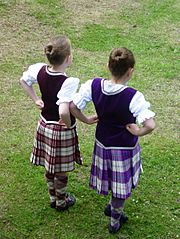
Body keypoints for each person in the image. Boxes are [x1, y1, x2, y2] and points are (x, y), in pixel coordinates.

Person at [70, 47, 156, 233]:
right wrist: (138, 132)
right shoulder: (134, 97)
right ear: (130, 71)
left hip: (103, 144)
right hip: (124, 149)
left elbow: (73, 106)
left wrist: (86, 120)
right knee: (120, 186)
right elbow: (150, 125)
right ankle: (115, 220)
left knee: (112, 181)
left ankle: (112, 207)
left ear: (108, 66)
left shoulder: (93, 85)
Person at [20, 35, 86, 211]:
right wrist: (68, 124)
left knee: (49, 164)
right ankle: (61, 201)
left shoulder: (39, 69)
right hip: (60, 130)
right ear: (68, 58)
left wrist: (36, 99)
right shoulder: (68, 82)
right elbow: (64, 110)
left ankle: (52, 197)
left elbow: (23, 81)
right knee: (61, 169)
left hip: (44, 125)